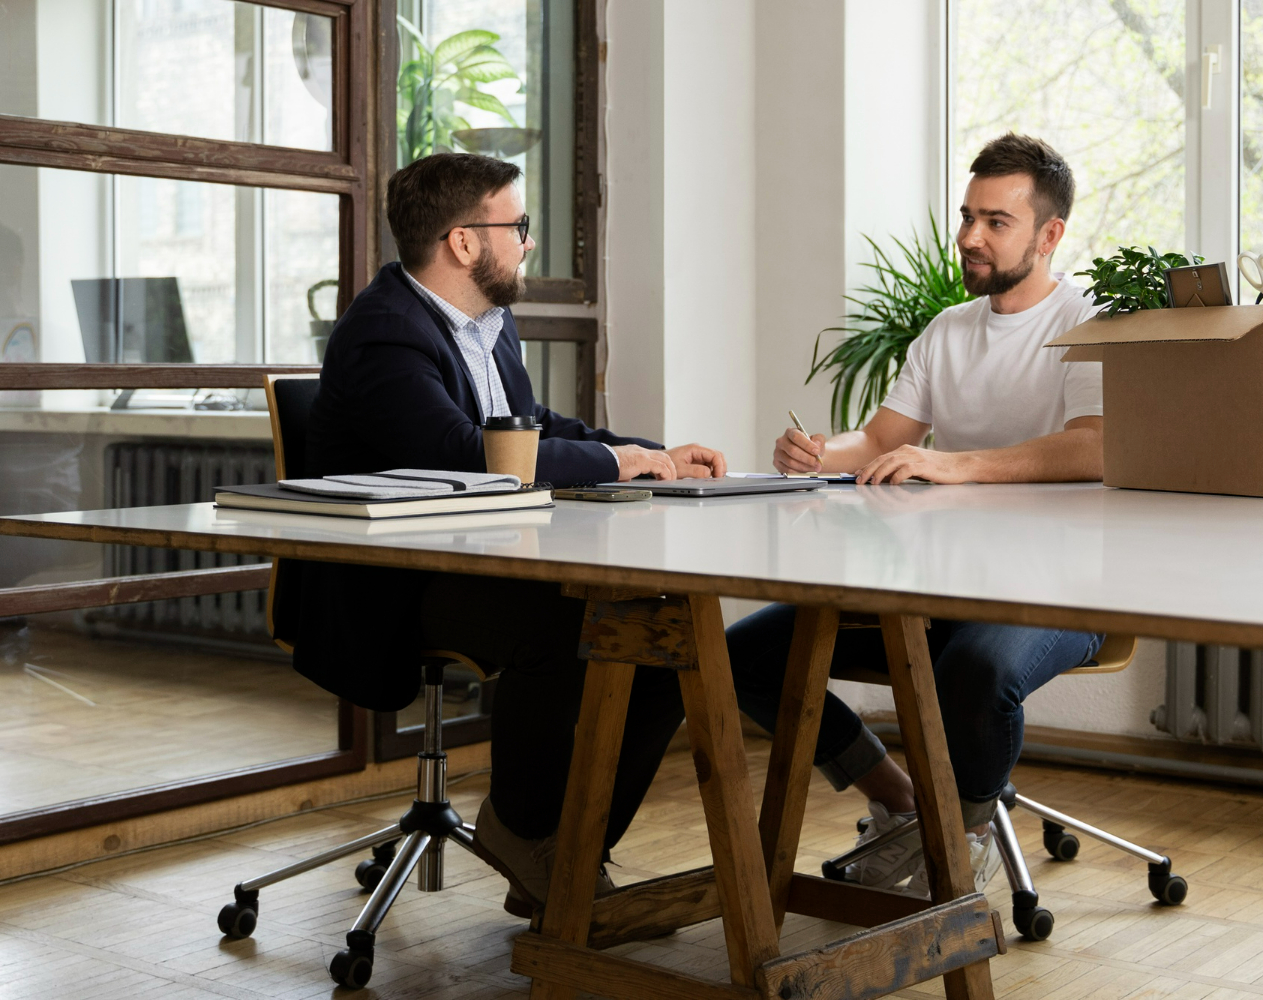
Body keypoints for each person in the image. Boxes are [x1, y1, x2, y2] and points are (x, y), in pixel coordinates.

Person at [290, 153, 726, 916]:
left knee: (668, 631)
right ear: (463, 242)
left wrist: (652, 456)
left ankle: (570, 849)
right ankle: (521, 830)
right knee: (567, 629)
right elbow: (474, 458)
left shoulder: (487, 324)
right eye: (517, 225)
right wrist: (621, 463)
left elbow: (532, 430)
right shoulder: (384, 335)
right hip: (391, 582)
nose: (528, 242)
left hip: (479, 561)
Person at [729, 133, 1104, 897]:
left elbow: (1091, 448)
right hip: (938, 579)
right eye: (968, 216)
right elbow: (880, 439)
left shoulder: (1090, 325)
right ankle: (907, 805)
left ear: (1050, 233)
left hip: (1061, 584)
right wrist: (819, 450)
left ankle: (958, 838)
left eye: (997, 221)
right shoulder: (949, 331)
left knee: (977, 668)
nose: (970, 236)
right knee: (743, 656)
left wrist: (954, 463)